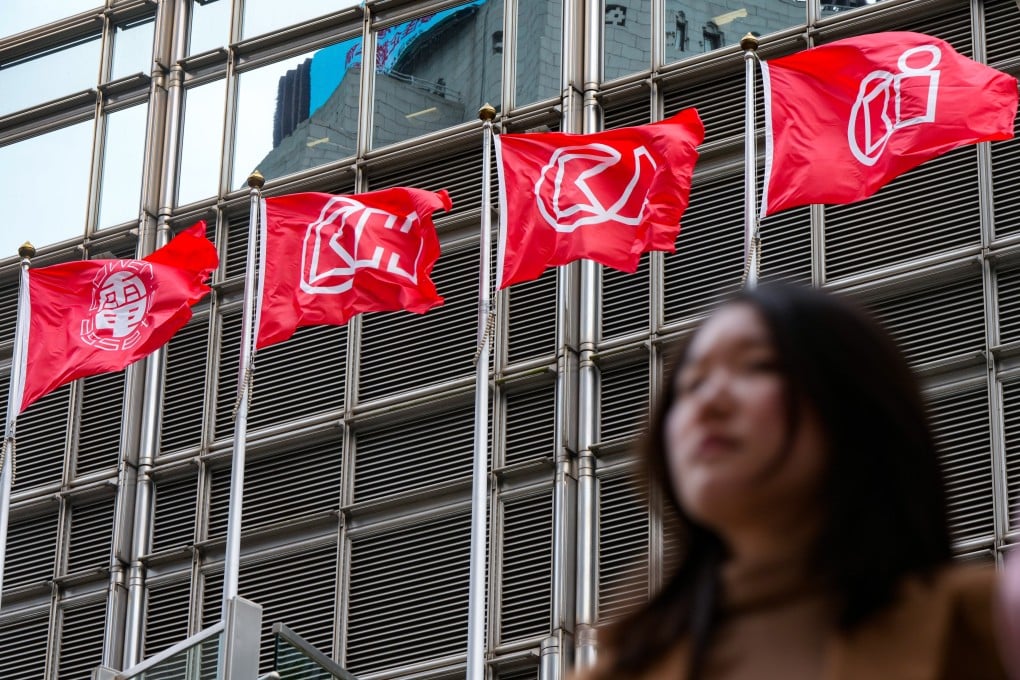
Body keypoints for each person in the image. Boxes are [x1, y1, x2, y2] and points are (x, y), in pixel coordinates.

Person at [573, 283, 1008, 679]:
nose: (708, 403)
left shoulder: (988, 628)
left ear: (856, 404)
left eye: (758, 366)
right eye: (690, 385)